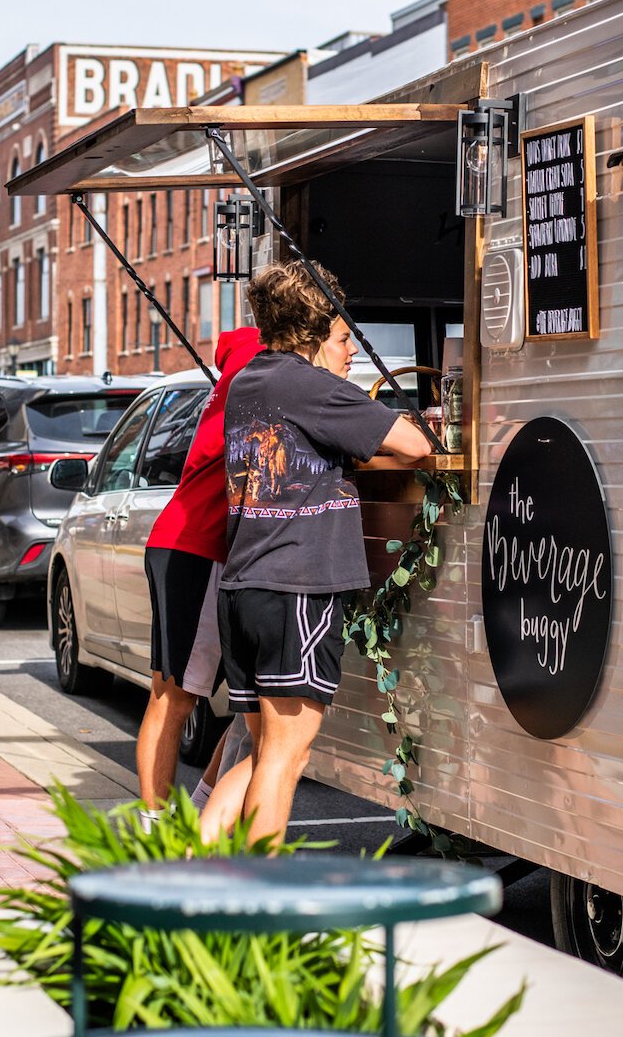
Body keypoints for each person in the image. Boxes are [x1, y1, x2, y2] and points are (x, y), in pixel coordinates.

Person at [206, 261, 430, 847]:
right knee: (286, 758)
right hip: (297, 588)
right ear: (311, 328)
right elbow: (415, 445)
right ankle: (257, 912)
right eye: (340, 331)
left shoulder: (250, 381)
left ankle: (184, 872)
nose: (352, 346)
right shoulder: (312, 387)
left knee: (263, 754)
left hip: (246, 586)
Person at [134, 326, 265, 829]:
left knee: (248, 703)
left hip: (186, 546)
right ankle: (154, 829)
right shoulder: (249, 382)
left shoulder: (233, 383)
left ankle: (204, 809)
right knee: (174, 699)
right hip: (196, 548)